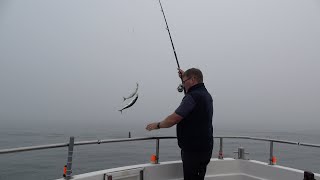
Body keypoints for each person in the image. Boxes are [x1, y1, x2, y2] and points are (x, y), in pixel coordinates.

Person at [146, 68, 214, 180]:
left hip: (194, 151)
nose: (182, 84)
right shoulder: (206, 95)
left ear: (193, 79)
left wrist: (157, 125)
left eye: (184, 81)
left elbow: (174, 119)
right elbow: (192, 100)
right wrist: (184, 77)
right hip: (205, 148)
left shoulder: (193, 97)